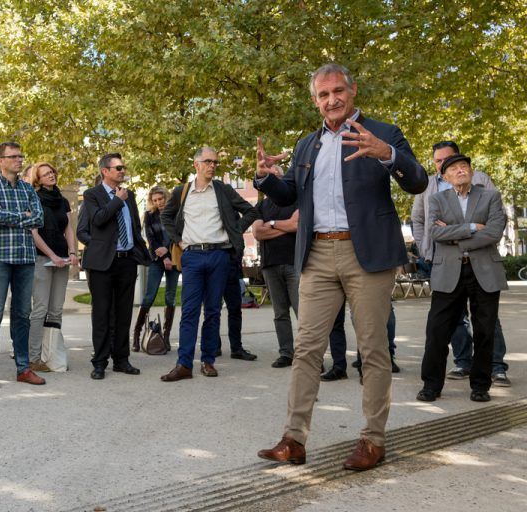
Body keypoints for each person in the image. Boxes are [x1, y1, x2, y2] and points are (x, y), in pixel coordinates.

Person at [255, 63, 427, 471]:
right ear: (315, 102)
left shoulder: (384, 132)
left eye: (337, 91)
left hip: (365, 255)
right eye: (322, 95)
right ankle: (293, 439)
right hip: (316, 254)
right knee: (306, 349)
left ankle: (373, 440)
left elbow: (418, 181)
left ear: (352, 91)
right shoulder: (306, 146)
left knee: (372, 349)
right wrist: (264, 178)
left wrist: (387, 154)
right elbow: (290, 196)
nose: (331, 100)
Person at [411, 140, 511, 386]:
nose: (458, 169)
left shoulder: (489, 193)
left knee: (486, 329)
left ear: (469, 168)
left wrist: (455, 238)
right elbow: (432, 230)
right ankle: (432, 384)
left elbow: (495, 231)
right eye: (446, 165)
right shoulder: (435, 196)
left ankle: (482, 383)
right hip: (446, 267)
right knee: (438, 329)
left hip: (484, 269)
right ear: (441, 172)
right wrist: (469, 229)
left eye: (462, 164)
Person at [159, 147, 258, 382]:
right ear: (196, 165)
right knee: (190, 311)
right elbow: (165, 216)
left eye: (215, 162)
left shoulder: (223, 190)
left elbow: (250, 211)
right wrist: (179, 240)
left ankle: (208, 361)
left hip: (219, 255)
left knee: (213, 311)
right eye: (208, 161)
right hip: (192, 256)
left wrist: (234, 232)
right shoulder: (181, 192)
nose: (212, 165)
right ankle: (184, 364)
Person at [77, 153, 150, 380]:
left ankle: (121, 360)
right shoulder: (92, 195)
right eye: (117, 168)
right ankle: (99, 362)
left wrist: (139, 250)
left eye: (123, 167)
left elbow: (135, 226)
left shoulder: (129, 196)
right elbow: (98, 220)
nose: (122, 171)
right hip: (102, 264)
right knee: (102, 314)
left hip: (126, 261)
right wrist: (116, 200)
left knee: (123, 313)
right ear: (105, 171)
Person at [0, 142, 46, 389]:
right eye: (13, 156)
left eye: (20, 156)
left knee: (22, 315)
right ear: (0, 161)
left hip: (25, 257)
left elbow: (39, 218)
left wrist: (15, 216)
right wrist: (23, 217)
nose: (19, 160)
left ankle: (23, 368)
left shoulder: (28, 189)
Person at [27, 162, 78, 371]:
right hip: (41, 258)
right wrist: (52, 255)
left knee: (56, 309)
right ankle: (33, 357)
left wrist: (72, 253)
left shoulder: (63, 200)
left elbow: (69, 229)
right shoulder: (33, 198)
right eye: (46, 174)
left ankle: (52, 355)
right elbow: (34, 233)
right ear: (37, 179)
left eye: (52, 172)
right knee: (40, 309)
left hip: (62, 259)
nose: (51, 175)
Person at [252, 180, 299, 368]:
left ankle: (309, 357)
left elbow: (298, 226)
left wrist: (270, 225)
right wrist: (285, 225)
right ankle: (286, 353)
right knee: (280, 313)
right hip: (270, 264)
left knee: (303, 313)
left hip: (295, 263)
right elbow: (257, 233)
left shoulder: (297, 201)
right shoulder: (261, 206)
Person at [133, 186, 178, 352]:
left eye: (161, 199)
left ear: (167, 197)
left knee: (170, 298)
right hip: (157, 259)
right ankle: (137, 335)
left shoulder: (176, 214)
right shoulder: (149, 216)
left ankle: (165, 337)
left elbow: (177, 235)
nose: (159, 202)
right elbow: (151, 239)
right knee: (149, 296)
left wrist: (167, 251)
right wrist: (163, 255)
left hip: (174, 258)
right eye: (155, 200)